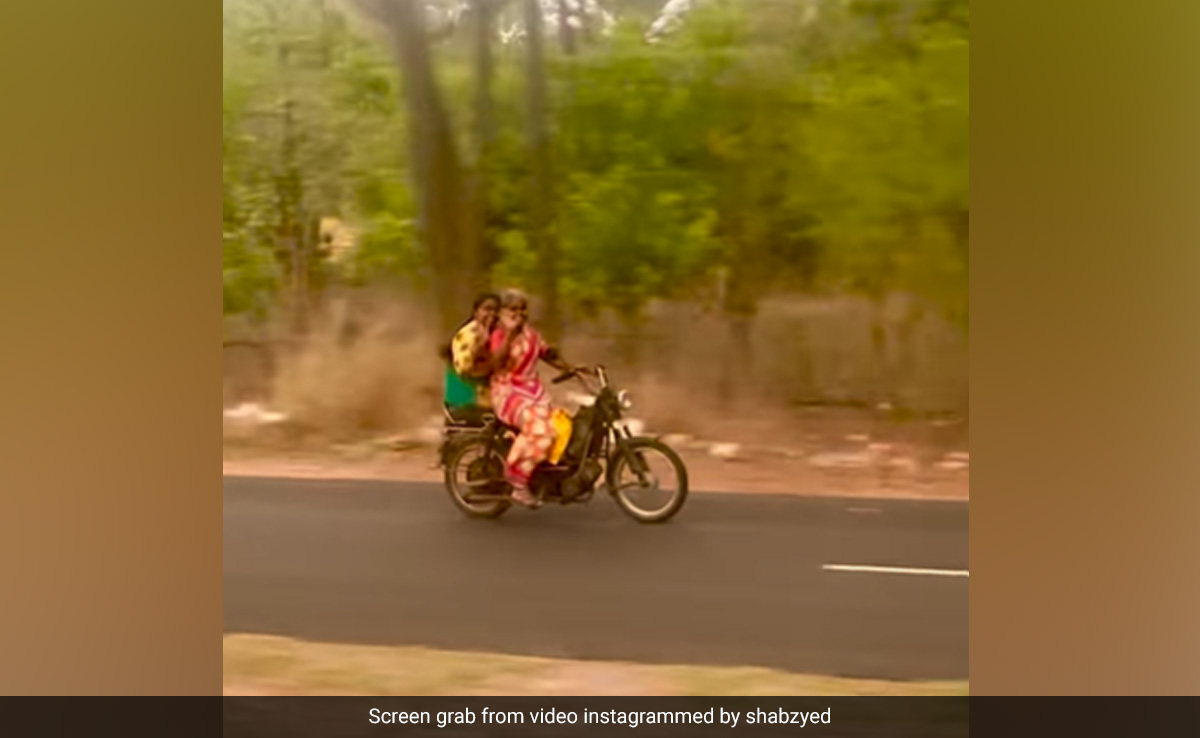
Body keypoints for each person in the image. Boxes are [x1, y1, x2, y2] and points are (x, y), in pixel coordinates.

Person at [484, 289, 589, 508]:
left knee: (561, 426)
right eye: (513, 309)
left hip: (533, 394)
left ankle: (543, 475)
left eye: (522, 309)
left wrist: (572, 368)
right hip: (508, 394)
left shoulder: (532, 335)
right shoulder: (498, 335)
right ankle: (517, 481)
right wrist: (511, 334)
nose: (519, 314)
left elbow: (548, 354)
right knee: (542, 432)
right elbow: (495, 363)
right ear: (503, 312)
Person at [439, 293, 500, 424]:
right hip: (464, 404)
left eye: (496, 310)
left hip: (482, 406)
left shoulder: (499, 336)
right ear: (476, 312)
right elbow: (466, 368)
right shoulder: (467, 335)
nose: (492, 314)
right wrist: (481, 344)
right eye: (487, 309)